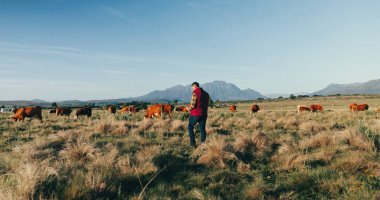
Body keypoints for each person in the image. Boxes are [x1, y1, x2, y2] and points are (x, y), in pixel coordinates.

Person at [187, 82, 210, 148]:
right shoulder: (206, 94)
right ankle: (203, 144)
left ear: (194, 86)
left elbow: (193, 105)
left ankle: (192, 144)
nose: (192, 89)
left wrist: (189, 109)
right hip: (204, 114)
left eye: (192, 88)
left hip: (195, 114)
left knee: (190, 127)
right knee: (202, 129)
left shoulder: (195, 93)